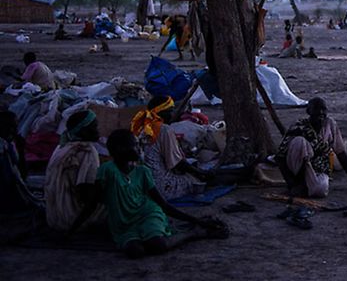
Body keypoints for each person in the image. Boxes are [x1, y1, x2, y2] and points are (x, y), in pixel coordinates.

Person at [71, 129, 226, 258]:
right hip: (124, 223)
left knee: (158, 245)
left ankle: (193, 234)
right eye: (135, 145)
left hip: (147, 214)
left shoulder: (143, 171)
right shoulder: (107, 171)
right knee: (135, 252)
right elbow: (93, 203)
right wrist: (71, 231)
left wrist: (198, 222)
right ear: (120, 149)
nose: (140, 149)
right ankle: (156, 234)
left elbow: (163, 205)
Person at [275, 97, 347, 198]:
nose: (320, 112)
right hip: (297, 168)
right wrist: (290, 183)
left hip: (318, 169)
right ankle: (298, 184)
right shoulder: (298, 127)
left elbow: (341, 153)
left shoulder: (330, 124)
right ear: (308, 111)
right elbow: (279, 157)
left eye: (323, 109)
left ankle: (305, 186)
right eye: (316, 109)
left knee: (320, 190)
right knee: (300, 142)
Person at [131, 96, 210, 200]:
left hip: (142, 184)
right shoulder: (164, 130)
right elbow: (177, 164)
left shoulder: (143, 126)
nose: (173, 114)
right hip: (159, 187)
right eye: (170, 111)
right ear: (161, 112)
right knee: (196, 180)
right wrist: (200, 173)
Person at [44, 110, 106, 231]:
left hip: (55, 217)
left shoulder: (62, 147)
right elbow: (85, 193)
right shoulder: (87, 151)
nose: (98, 130)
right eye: (94, 127)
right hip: (73, 218)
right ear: (82, 130)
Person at [1, 109, 41, 214]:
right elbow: (13, 175)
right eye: (13, 127)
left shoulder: (9, 144)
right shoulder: (4, 148)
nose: (15, 130)